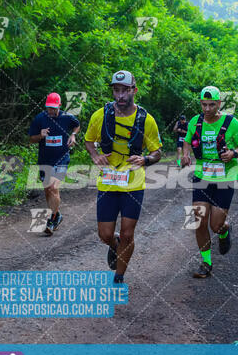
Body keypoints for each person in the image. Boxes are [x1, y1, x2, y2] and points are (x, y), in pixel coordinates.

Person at [84, 70, 162, 284]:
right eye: (116, 90)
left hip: (133, 184)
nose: (120, 95)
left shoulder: (146, 120)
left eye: (125, 90)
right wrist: (95, 156)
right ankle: (114, 246)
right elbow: (89, 141)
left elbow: (157, 152)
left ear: (134, 91)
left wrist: (145, 160)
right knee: (105, 234)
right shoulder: (100, 115)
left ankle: (119, 276)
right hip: (108, 183)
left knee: (128, 233)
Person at [181, 86, 238, 278]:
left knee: (215, 225)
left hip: (225, 178)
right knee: (199, 221)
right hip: (202, 176)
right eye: (204, 104)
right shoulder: (195, 121)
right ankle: (206, 262)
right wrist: (185, 155)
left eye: (212, 104)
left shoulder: (231, 122)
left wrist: (234, 153)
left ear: (219, 104)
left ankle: (225, 230)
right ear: (200, 104)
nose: (207, 108)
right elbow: (187, 140)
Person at [28, 92, 80, 235]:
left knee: (53, 187)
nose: (51, 111)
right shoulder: (39, 119)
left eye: (54, 108)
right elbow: (31, 139)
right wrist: (40, 135)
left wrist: (73, 135)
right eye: (49, 108)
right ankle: (57, 214)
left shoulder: (67, 118)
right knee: (47, 190)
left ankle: (52, 219)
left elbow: (77, 125)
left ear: (60, 106)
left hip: (62, 158)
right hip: (45, 160)